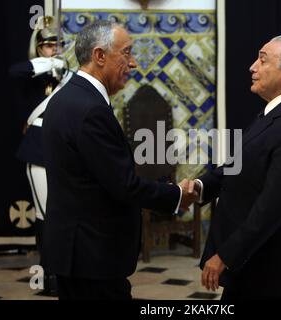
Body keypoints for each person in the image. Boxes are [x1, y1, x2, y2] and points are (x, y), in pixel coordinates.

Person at [42, 20, 198, 300]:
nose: (134, 63)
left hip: (75, 251)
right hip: (93, 255)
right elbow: (123, 184)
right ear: (99, 56)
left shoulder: (67, 98)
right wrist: (176, 195)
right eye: (126, 53)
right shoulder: (90, 109)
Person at [194, 35, 281, 300]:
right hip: (253, 262)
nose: (252, 67)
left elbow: (272, 207)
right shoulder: (278, 111)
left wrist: (225, 256)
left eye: (263, 60)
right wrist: (199, 187)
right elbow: (239, 162)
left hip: (269, 266)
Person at [8, 16, 67, 296]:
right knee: (46, 214)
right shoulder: (35, 72)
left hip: (63, 148)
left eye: (57, 46)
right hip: (39, 146)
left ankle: (63, 271)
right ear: (39, 48)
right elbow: (14, 72)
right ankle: (49, 275)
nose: (53, 50)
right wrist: (47, 63)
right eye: (47, 46)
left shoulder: (66, 76)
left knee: (62, 212)